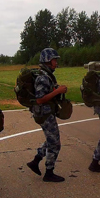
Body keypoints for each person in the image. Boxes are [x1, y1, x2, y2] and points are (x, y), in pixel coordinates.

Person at [26, 48, 68, 182]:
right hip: (44, 114)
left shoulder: (47, 75)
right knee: (55, 143)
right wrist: (58, 91)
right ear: (47, 61)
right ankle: (49, 173)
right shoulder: (43, 77)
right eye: (54, 60)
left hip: (46, 112)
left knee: (51, 140)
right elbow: (40, 99)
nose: (56, 63)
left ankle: (35, 161)